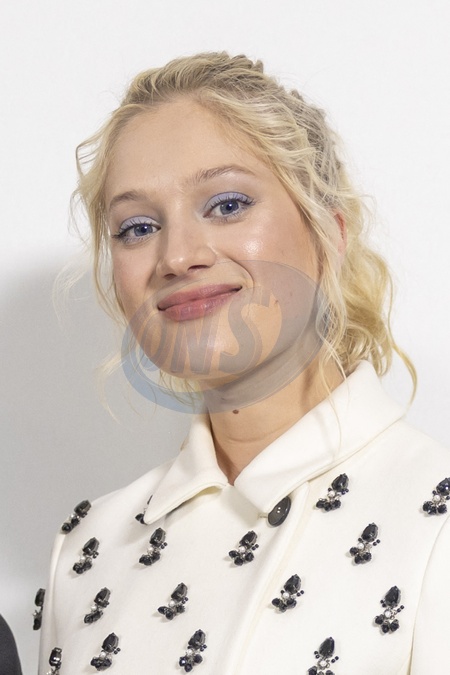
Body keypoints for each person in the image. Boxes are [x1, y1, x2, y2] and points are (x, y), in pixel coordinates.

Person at [39, 53, 449, 674]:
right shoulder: (86, 549)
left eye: (227, 204)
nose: (177, 256)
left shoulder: (433, 519)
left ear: (329, 233)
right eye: (138, 227)